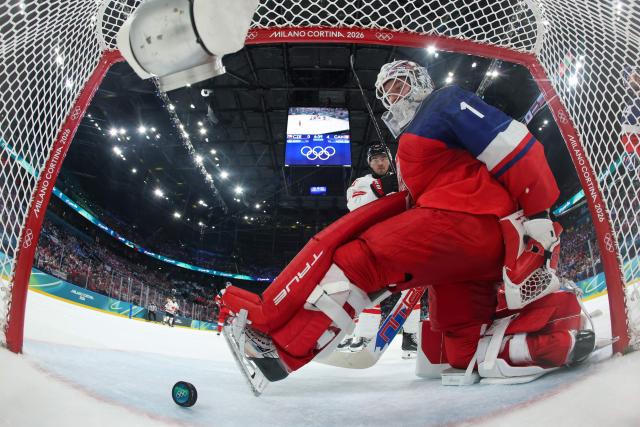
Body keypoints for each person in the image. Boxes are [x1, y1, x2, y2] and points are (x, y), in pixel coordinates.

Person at [223, 59, 596, 384]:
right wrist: (379, 195)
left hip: (468, 221)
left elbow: (514, 147)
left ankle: (283, 349)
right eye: (386, 91)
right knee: (460, 350)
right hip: (461, 251)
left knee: (359, 260)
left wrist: (538, 214)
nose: (393, 95)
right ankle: (551, 335)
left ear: (419, 80)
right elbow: (422, 195)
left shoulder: (443, 101)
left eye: (399, 83)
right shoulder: (409, 144)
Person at [339, 143, 420, 357]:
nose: (380, 162)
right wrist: (380, 189)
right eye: (375, 159)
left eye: (383, 158)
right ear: (369, 163)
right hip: (374, 242)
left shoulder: (402, 179)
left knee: (413, 287)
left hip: (402, 240)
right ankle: (363, 335)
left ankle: (411, 338)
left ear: (389, 159)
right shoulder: (363, 182)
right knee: (369, 289)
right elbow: (354, 206)